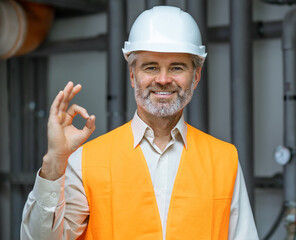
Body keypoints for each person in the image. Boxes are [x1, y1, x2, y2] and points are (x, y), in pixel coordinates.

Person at [21, 6, 259, 240]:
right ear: (133, 76)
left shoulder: (224, 160)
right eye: (151, 67)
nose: (163, 79)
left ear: (195, 77)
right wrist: (54, 161)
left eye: (177, 67)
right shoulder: (86, 161)